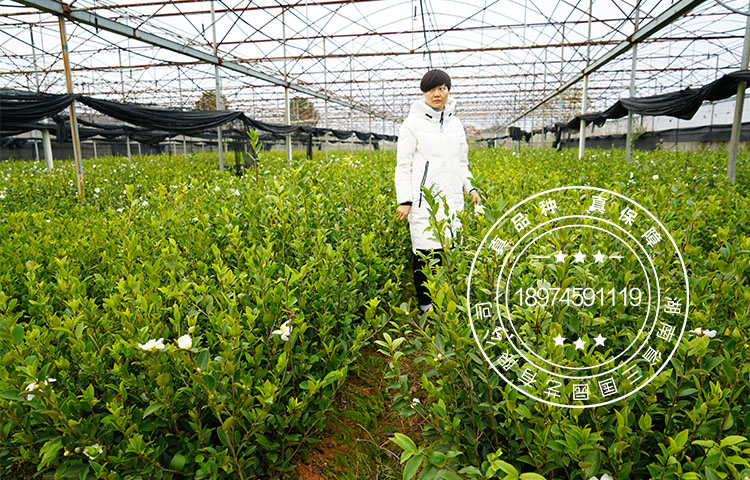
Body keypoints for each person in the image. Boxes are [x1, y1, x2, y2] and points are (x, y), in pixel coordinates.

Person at [394, 69, 481, 314]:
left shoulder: (456, 124)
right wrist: (405, 200)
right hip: (425, 202)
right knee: (424, 253)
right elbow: (403, 165)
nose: (437, 94)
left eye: (441, 88)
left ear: (448, 91)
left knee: (449, 253)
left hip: (453, 201)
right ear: (423, 93)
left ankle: (447, 304)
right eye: (431, 89)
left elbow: (462, 162)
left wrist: (471, 187)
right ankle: (425, 306)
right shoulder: (412, 124)